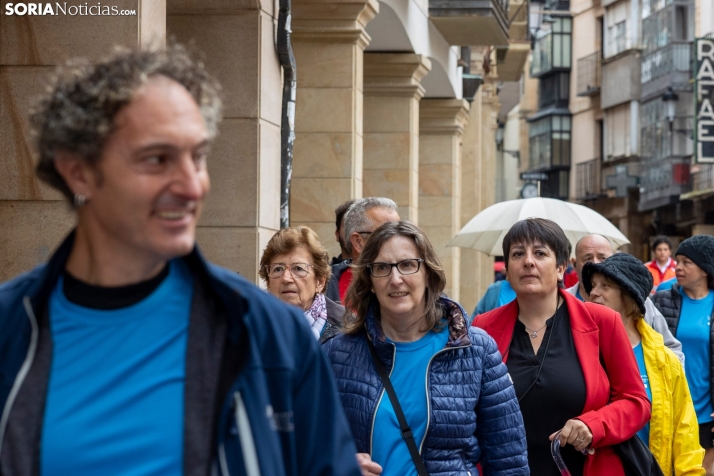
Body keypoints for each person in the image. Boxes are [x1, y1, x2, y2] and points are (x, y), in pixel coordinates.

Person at [0, 44, 361, 476]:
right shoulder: (10, 329)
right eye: (157, 158)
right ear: (78, 170)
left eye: (198, 156)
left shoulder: (269, 335)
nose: (192, 186)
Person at [323, 221, 529, 475]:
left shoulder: (476, 350)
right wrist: (340, 466)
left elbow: (508, 461)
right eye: (382, 268)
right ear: (369, 280)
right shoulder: (337, 355)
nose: (395, 279)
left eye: (408, 265)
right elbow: (306, 446)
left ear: (428, 274)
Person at [474, 218, 651, 476]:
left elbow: (636, 402)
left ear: (561, 268)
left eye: (540, 253)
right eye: (518, 254)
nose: (528, 261)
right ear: (508, 270)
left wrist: (594, 425)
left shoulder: (603, 321)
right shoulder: (484, 327)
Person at [583, 253, 704, 475]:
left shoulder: (666, 361)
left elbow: (684, 433)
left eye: (605, 286)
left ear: (628, 296)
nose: (593, 293)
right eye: (593, 286)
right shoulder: (579, 351)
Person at [567, 234, 684, 365]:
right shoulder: (563, 303)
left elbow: (673, 349)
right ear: (574, 263)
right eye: (588, 258)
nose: (596, 263)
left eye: (603, 258)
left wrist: (654, 377)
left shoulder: (638, 302)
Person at [652, 234, 714, 475]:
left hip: (705, 411)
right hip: (669, 405)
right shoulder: (663, 298)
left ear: (706, 269)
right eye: (677, 260)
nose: (677, 267)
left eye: (687, 262)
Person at [259, 226, 345, 343]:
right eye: (278, 269)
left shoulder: (349, 327)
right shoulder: (250, 326)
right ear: (268, 282)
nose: (286, 278)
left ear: (319, 281)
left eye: (298, 268)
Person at [326, 197, 400, 304]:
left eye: (401, 233)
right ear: (358, 242)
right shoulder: (321, 287)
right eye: (386, 235)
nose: (399, 241)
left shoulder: (412, 279)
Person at [332, 199, 356, 265]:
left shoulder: (378, 269)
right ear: (337, 235)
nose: (352, 231)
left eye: (358, 225)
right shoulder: (326, 273)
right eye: (347, 225)